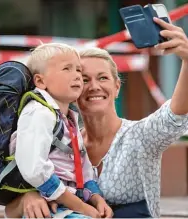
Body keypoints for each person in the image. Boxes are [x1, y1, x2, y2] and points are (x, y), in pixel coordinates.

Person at [5, 17, 188, 218]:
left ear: (117, 87)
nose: (94, 86)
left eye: (103, 78)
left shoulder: (139, 136)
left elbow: (175, 116)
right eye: (83, 78)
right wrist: (27, 198)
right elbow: (10, 211)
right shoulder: (58, 139)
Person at [9, 43, 112, 218]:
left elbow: (84, 168)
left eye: (79, 70)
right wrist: (82, 207)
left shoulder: (68, 118)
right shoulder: (39, 113)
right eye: (67, 69)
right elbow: (35, 169)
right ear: (40, 81)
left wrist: (96, 199)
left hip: (69, 205)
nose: (77, 76)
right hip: (49, 208)